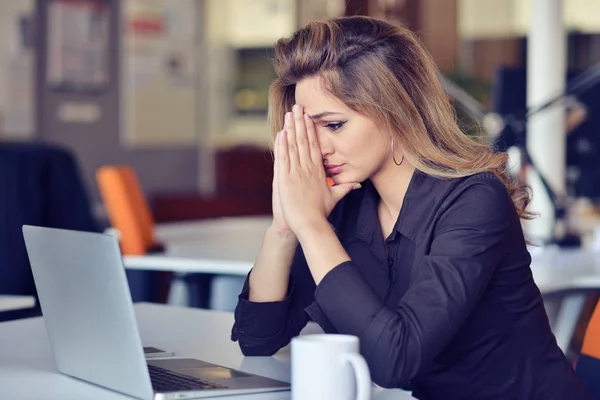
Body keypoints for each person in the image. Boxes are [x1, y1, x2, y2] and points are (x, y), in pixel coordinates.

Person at [230, 16, 593, 399]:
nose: (318, 149)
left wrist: (312, 226)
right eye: (309, 130)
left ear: (395, 109)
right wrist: (285, 226)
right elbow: (257, 337)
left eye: (334, 125)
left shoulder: (474, 201)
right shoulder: (344, 204)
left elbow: (394, 360)